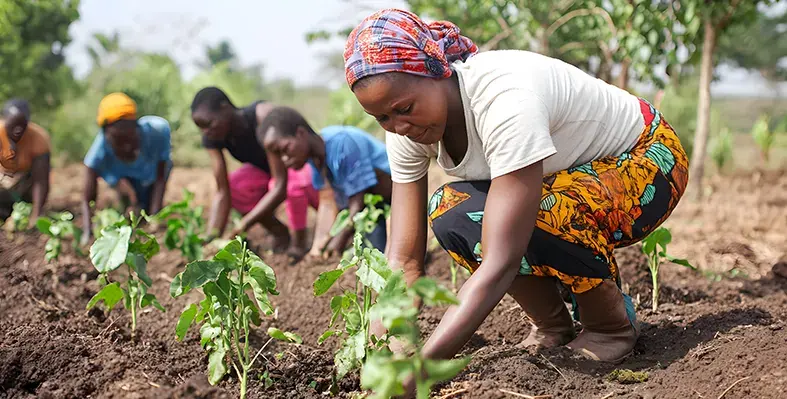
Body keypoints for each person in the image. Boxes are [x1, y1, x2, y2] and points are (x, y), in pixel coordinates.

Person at [343, 7, 690, 384]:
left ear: (437, 71)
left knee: (542, 210)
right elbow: (404, 259)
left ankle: (610, 328)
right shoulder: (405, 132)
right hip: (568, 179)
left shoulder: (503, 98)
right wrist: (385, 349)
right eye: (383, 119)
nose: (399, 127)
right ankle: (553, 326)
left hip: (648, 160)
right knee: (451, 211)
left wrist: (424, 370)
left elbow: (501, 261)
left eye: (404, 110)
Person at [190, 87, 317, 259]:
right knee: (236, 187)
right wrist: (212, 237)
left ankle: (300, 241)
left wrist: (242, 225)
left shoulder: (262, 116)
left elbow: (280, 185)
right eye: (201, 128)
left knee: (296, 187)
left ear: (225, 107)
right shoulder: (212, 138)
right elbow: (223, 191)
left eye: (209, 124)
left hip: (294, 166)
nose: (206, 132)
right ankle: (279, 232)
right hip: (266, 172)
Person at [258, 106, 392, 257]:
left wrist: (338, 240)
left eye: (285, 149)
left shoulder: (342, 143)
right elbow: (327, 202)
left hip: (392, 195)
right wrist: (319, 244)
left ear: (301, 133)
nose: (284, 159)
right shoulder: (315, 160)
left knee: (379, 256)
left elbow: (358, 202)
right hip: (371, 206)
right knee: (364, 253)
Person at [81, 93, 171, 244]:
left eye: (130, 138)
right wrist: (87, 232)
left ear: (137, 126)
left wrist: (155, 217)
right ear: (106, 134)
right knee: (129, 210)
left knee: (147, 209)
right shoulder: (98, 151)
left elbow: (161, 178)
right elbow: (87, 198)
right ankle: (129, 199)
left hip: (150, 174)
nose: (127, 146)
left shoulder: (157, 131)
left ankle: (143, 204)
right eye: (119, 141)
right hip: (122, 176)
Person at [0, 99, 51, 224]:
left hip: (25, 183)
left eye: (22, 125)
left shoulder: (39, 138)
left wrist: (36, 214)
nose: (18, 130)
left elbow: (41, 181)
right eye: (13, 125)